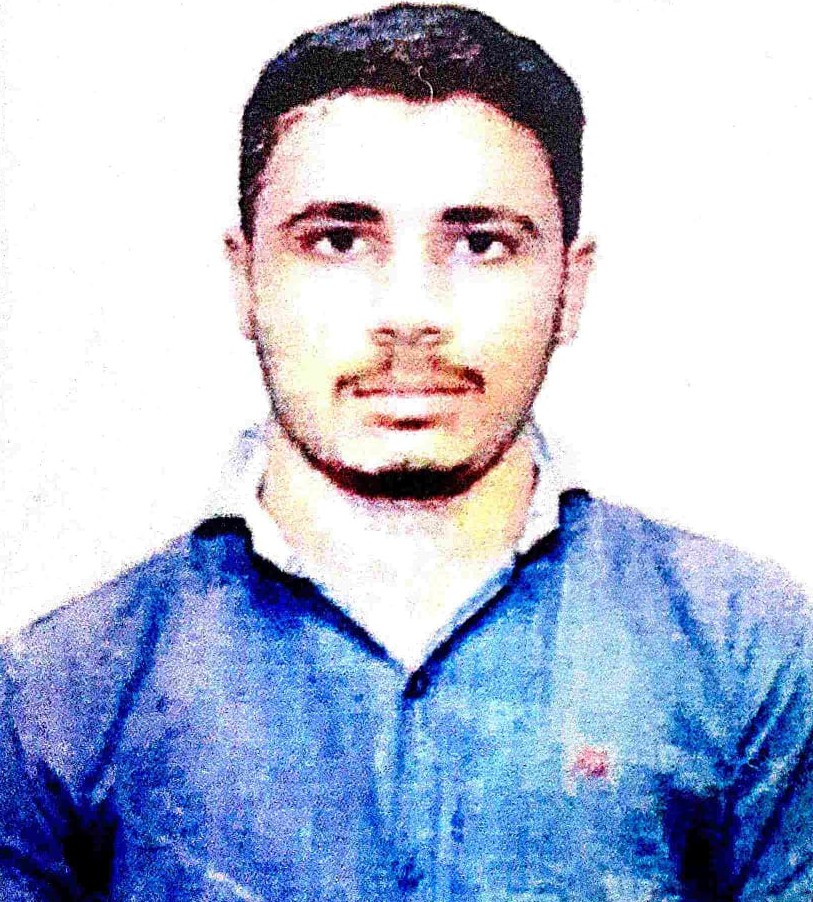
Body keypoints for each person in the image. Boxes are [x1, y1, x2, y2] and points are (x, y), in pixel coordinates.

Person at [1, 4, 810, 899]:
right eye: (338, 240)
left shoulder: (747, 648)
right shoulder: (61, 686)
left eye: (480, 243)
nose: (410, 313)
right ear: (245, 279)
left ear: (570, 287)